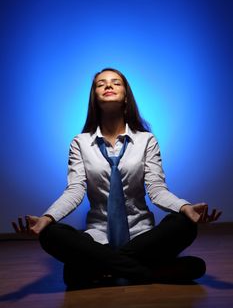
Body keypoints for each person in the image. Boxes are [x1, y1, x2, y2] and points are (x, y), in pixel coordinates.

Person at [13, 68, 222, 289]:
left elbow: (156, 189)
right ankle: (149, 271)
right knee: (51, 234)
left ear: (126, 95)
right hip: (97, 240)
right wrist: (47, 218)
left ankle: (99, 268)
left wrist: (185, 207)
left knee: (184, 224)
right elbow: (74, 191)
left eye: (116, 82)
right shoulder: (80, 143)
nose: (108, 86)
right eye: (101, 84)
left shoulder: (146, 140)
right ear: (94, 96)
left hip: (142, 239)